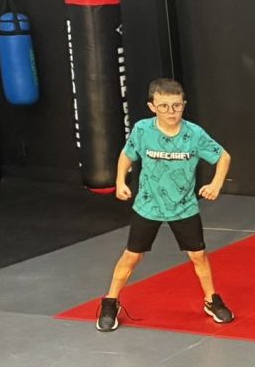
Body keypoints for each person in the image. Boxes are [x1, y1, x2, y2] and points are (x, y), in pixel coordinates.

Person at [95, 78, 233, 331]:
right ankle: (110, 301)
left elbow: (223, 157)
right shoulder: (142, 130)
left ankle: (211, 299)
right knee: (132, 255)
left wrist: (216, 184)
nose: (171, 112)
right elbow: (127, 155)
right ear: (152, 107)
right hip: (148, 206)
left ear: (184, 105)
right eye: (164, 106)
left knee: (198, 255)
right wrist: (120, 181)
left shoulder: (194, 134)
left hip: (184, 207)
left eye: (177, 106)